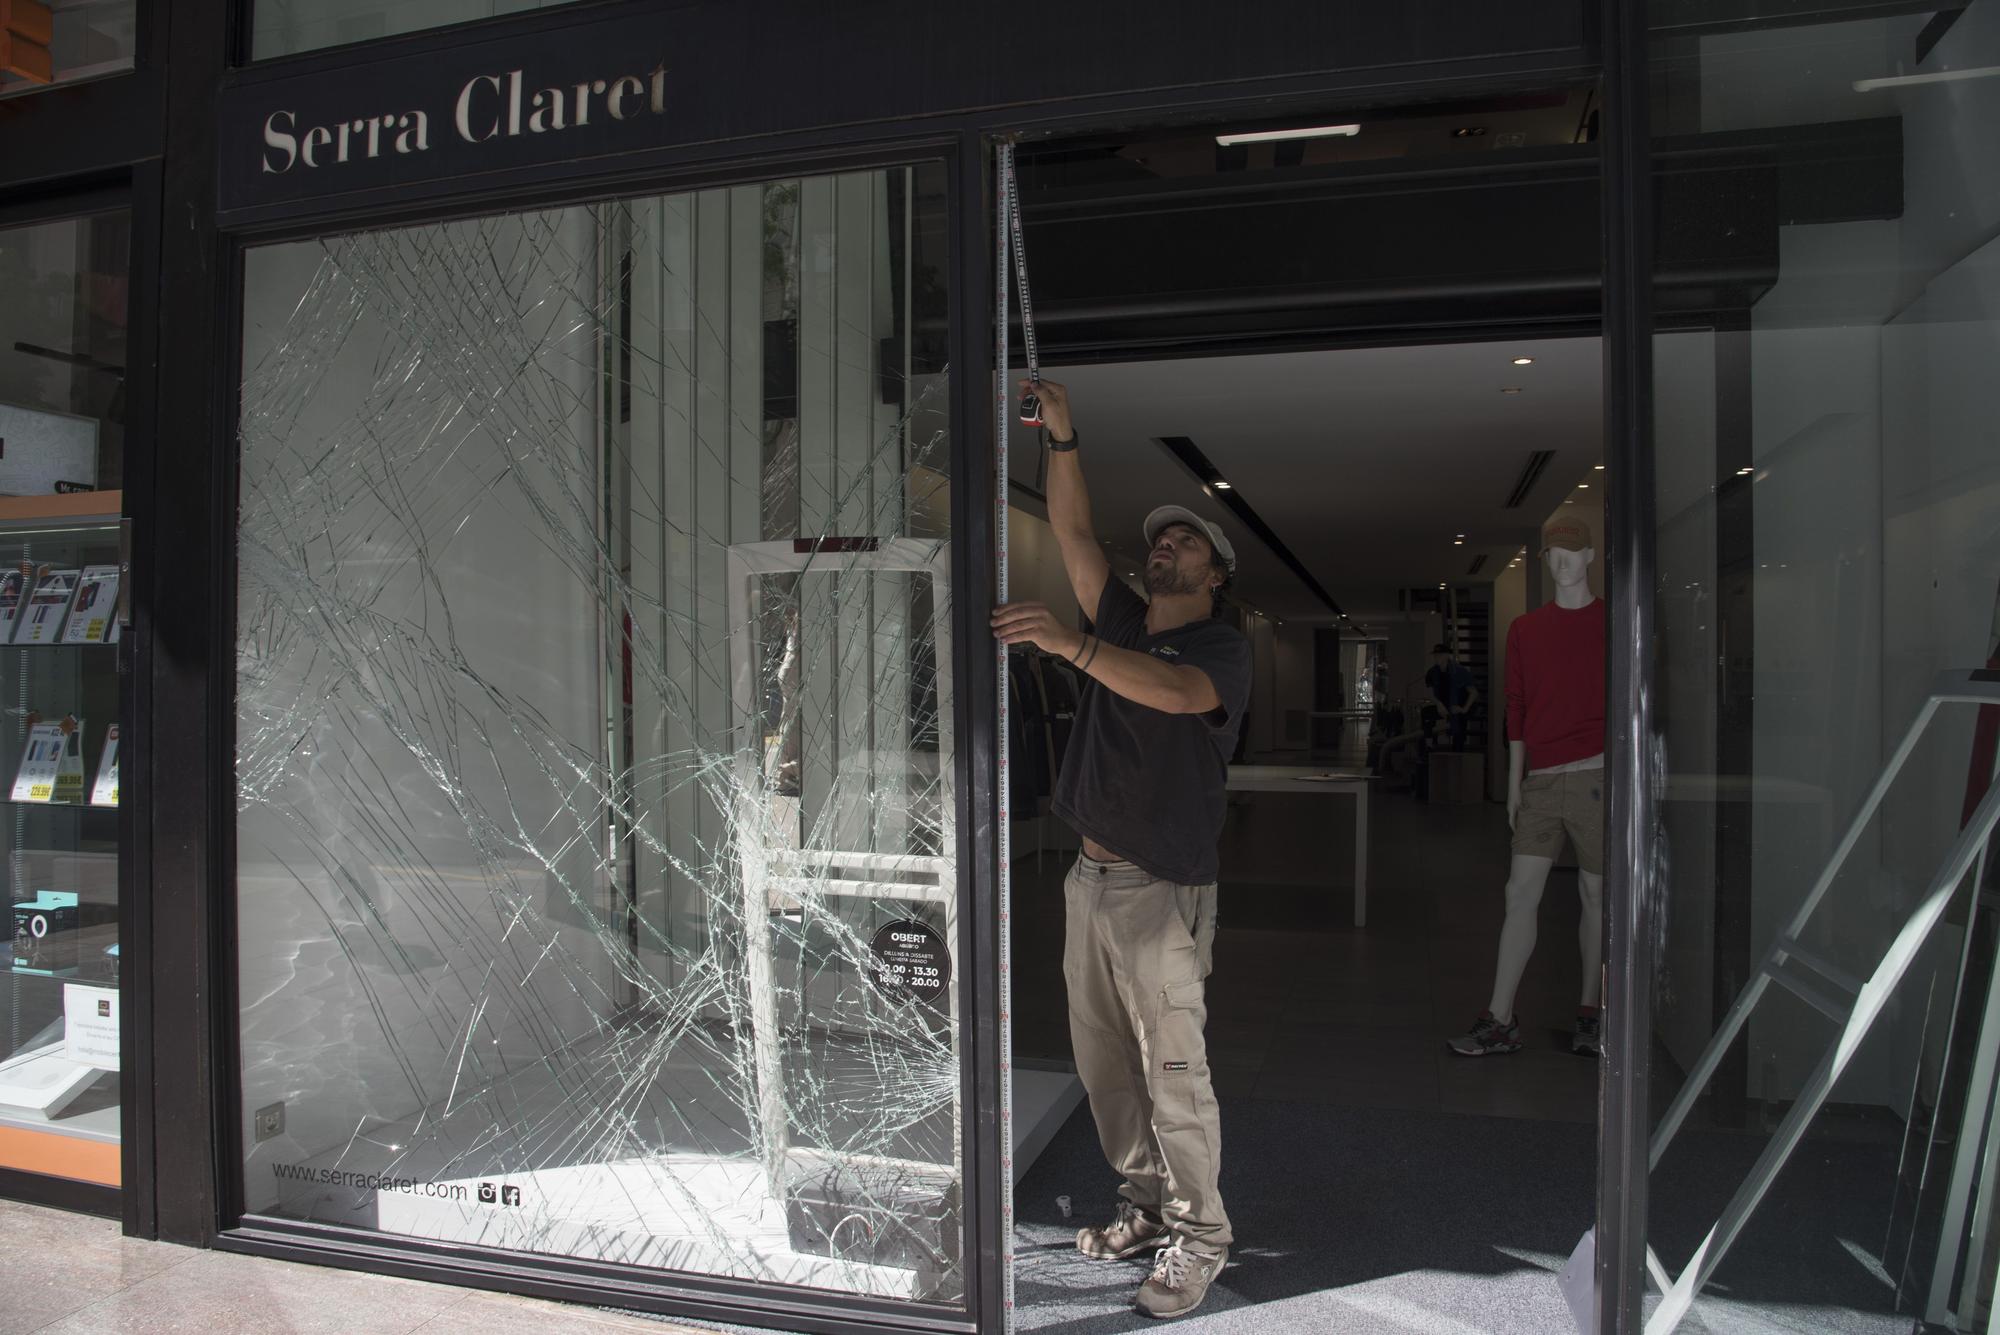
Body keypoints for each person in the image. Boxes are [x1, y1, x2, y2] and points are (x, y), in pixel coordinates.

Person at [991, 379, 1250, 1320]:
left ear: (1217, 570)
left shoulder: (1221, 651)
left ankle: (1203, 1236)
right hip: (1088, 878)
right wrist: (1062, 437)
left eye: (1187, 539)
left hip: (1159, 888)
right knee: (1103, 1066)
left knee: (1173, 1072)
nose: (1166, 542)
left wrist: (1070, 645)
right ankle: (1145, 1204)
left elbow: (1174, 696)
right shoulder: (1127, 621)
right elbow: (1073, 535)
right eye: (1162, 536)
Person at [1448, 518, 1606, 1058]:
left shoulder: (1613, 621)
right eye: (1552, 554)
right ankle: (1500, 1018)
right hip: (1540, 780)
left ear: (1589, 555)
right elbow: (1515, 704)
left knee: (1595, 894)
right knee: (1520, 894)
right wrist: (1515, 781)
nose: (1561, 563)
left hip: (1597, 777)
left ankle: (1591, 1010)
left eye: (1570, 552)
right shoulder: (1526, 628)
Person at [1424, 643, 1479, 752]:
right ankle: (1429, 745)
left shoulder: (1459, 671)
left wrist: (1464, 709)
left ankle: (1457, 753)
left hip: (1459, 705)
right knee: (1426, 714)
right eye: (1435, 655)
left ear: (1446, 656)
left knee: (1459, 730)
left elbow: (1474, 692)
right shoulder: (1432, 672)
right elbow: (1430, 693)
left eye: (1439, 655)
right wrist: (1439, 704)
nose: (1436, 658)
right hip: (1444, 704)